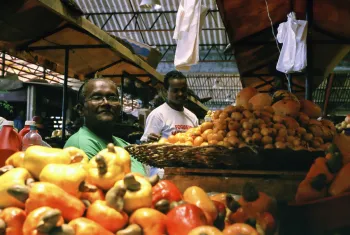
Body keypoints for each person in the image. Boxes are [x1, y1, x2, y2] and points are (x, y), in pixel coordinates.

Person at [64, 78, 146, 176]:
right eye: (97, 98)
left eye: (112, 98)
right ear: (81, 109)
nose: (106, 103)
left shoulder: (122, 143)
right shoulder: (81, 144)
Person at [141, 71, 199, 176]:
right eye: (175, 91)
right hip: (162, 175)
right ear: (166, 91)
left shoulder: (192, 117)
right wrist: (149, 143)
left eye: (183, 90)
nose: (180, 94)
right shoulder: (158, 115)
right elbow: (144, 148)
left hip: (187, 173)